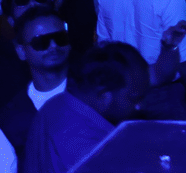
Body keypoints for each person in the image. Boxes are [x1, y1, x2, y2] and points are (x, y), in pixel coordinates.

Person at [23, 42, 150, 173]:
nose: (140, 107)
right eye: (134, 99)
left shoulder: (57, 104)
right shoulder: (83, 142)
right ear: (103, 97)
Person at [0, 6, 72, 173]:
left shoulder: (95, 92)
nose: (53, 46)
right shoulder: (9, 119)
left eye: (60, 38)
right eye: (41, 42)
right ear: (21, 51)